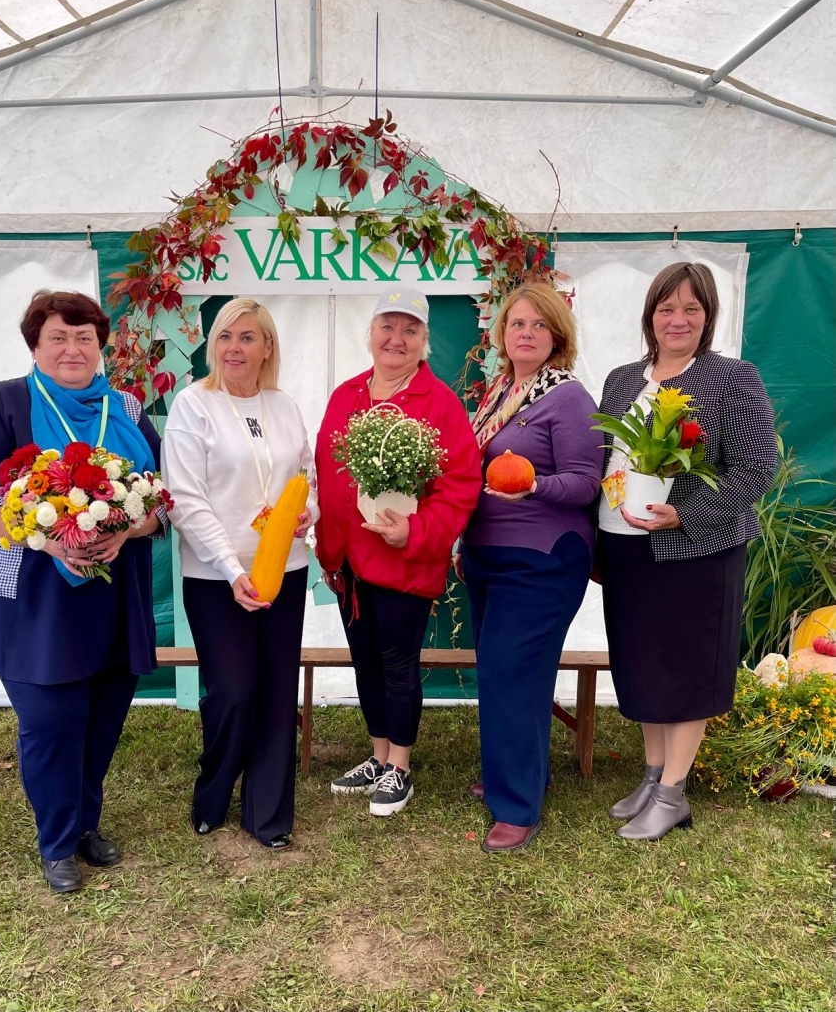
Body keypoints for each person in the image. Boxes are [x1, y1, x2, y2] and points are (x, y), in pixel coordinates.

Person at [0, 290, 168, 893]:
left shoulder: (125, 405)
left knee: (103, 715)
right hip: (30, 592)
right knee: (50, 718)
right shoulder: (4, 401)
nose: (72, 348)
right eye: (58, 338)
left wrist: (131, 529)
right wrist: (37, 535)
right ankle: (57, 841)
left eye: (84, 337)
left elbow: (161, 498)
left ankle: (84, 823)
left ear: (101, 346)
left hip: (114, 588)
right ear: (36, 347)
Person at [597, 261, 777, 840]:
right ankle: (652, 776)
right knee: (642, 662)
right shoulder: (623, 379)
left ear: (708, 318)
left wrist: (687, 514)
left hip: (696, 550)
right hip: (626, 547)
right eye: (666, 308)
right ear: (650, 315)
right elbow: (609, 460)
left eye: (691, 309)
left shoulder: (731, 378)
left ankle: (674, 792)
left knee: (685, 666)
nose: (678, 319)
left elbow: (757, 469)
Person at [315, 288, 481, 816]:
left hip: (403, 560)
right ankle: (377, 755)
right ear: (371, 334)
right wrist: (320, 527)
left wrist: (415, 530)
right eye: (388, 326)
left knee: (396, 663)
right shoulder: (346, 396)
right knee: (365, 661)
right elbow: (324, 469)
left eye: (409, 330)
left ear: (424, 342)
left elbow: (461, 485)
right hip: (348, 561)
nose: (396, 339)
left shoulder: (441, 405)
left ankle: (400, 767)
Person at [161, 298, 318, 851]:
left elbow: (308, 477)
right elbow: (183, 497)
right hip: (214, 577)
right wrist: (231, 569)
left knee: (276, 692)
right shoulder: (192, 405)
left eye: (248, 337)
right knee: (232, 690)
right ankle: (213, 793)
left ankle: (268, 815)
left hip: (285, 568)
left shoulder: (284, 405)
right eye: (226, 336)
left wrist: (309, 514)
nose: (234, 347)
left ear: (267, 347)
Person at [454, 284, 603, 852]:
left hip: (542, 559)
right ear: (502, 333)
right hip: (491, 555)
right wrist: (467, 545)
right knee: (517, 674)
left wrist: (536, 485)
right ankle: (517, 775)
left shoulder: (567, 397)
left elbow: (586, 483)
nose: (526, 333)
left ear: (557, 335)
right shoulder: (500, 392)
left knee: (507, 671)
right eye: (517, 323)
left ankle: (516, 806)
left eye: (539, 325)